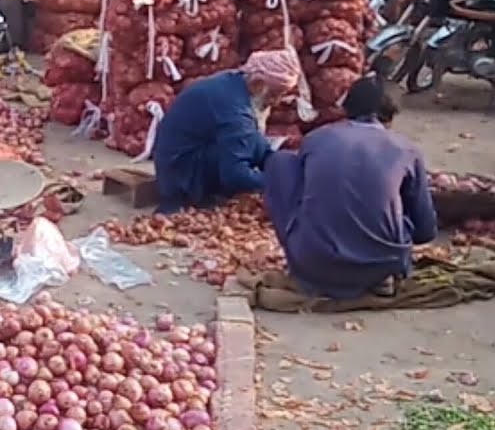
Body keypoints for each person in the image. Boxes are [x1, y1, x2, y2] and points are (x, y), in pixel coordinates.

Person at [261, 75, 437, 299]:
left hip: (315, 263)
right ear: (391, 115)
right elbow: (426, 231)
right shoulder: (407, 150)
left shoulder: (317, 138)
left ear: (346, 109)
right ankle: (378, 275)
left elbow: (310, 191)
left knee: (280, 163)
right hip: (385, 263)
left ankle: (314, 266)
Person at [152, 50, 301, 213]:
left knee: (250, 139)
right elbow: (235, 175)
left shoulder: (234, 82)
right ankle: (197, 199)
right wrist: (277, 185)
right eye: (274, 95)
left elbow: (253, 141)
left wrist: (283, 167)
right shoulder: (234, 109)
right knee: (242, 146)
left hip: (185, 158)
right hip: (182, 176)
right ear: (258, 84)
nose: (276, 102)